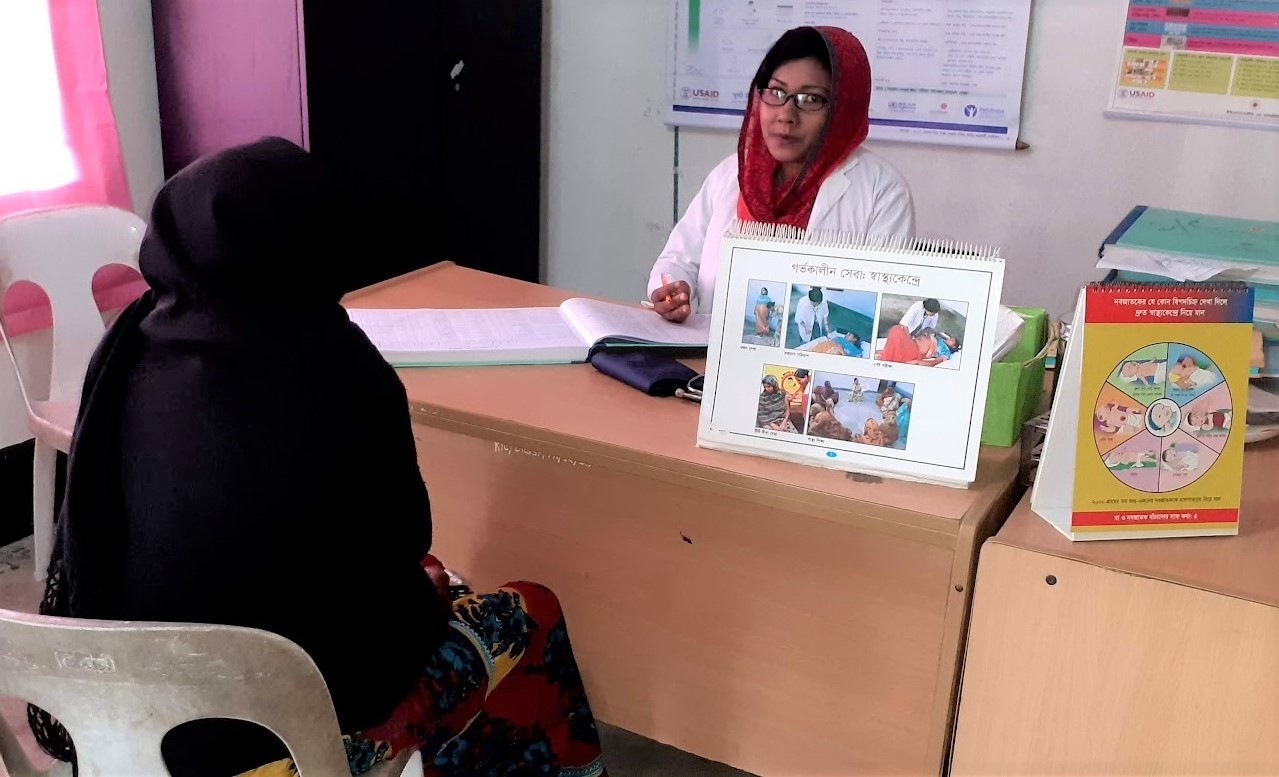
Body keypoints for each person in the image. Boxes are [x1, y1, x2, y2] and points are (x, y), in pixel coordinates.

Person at [26, 138, 607, 777]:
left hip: (125, 724)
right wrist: (424, 599)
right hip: (275, 746)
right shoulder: (332, 368)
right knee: (527, 610)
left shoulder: (128, 346)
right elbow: (402, 543)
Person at [647, 26, 916, 321]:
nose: (786, 114)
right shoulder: (732, 174)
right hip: (708, 357)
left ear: (843, 108)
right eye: (776, 92)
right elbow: (678, 261)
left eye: (810, 99)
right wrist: (675, 290)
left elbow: (879, 308)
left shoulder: (882, 191)